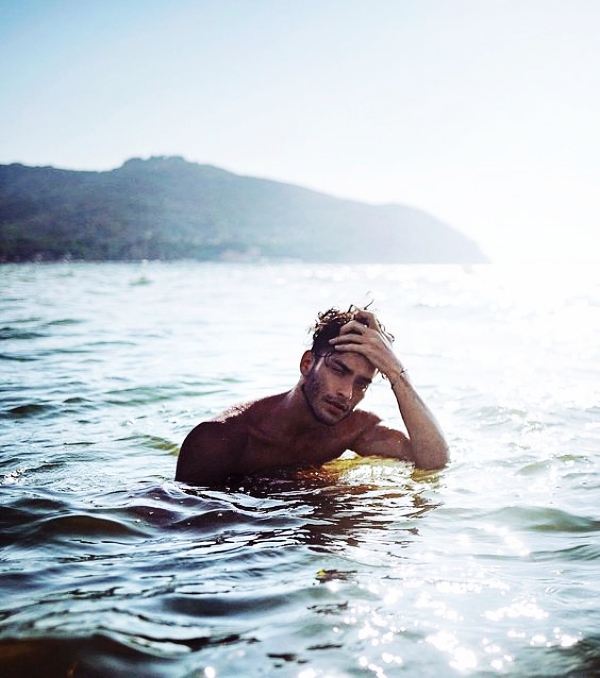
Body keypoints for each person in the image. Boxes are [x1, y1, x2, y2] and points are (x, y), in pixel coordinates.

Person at [176, 306, 449, 486]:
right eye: (338, 370)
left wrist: (396, 373)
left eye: (362, 384)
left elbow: (433, 461)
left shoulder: (353, 430)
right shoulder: (219, 439)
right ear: (308, 364)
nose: (346, 393)